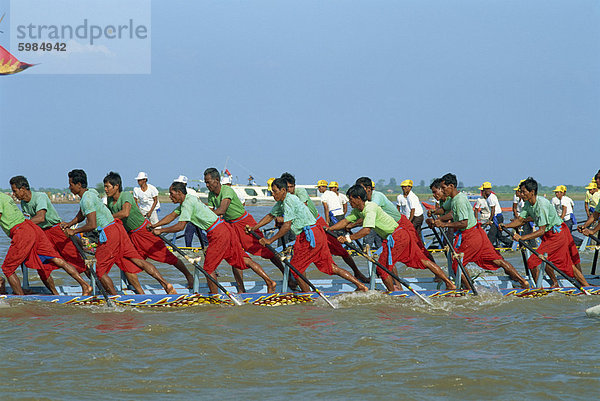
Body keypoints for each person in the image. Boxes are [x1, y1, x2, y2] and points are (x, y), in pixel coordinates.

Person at [62, 169, 176, 295]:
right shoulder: (91, 192)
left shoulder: (86, 199)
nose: (69, 187)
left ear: (79, 185)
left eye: (71, 185)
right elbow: (82, 213)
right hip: (118, 229)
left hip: (109, 234)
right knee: (136, 261)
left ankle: (114, 298)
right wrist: (70, 224)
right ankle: (165, 285)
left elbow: (92, 224)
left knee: (97, 271)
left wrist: (74, 231)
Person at [149, 181, 276, 294]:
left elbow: (181, 226)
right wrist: (155, 225)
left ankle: (215, 298)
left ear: (179, 192)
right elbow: (171, 216)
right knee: (242, 259)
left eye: (172, 194)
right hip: (225, 230)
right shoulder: (189, 199)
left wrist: (161, 231)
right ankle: (269, 281)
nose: (170, 197)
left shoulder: (187, 204)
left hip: (218, 233)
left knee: (208, 269)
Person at [248, 178, 368, 292]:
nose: (273, 194)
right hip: (315, 234)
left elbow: (286, 226)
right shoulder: (281, 202)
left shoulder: (289, 201)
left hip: (309, 236)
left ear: (283, 190)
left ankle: (307, 294)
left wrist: (270, 240)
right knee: (330, 267)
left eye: (274, 191)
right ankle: (360, 286)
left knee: (296, 268)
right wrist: (254, 228)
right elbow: (270, 216)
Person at [330, 185, 455, 292]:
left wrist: (348, 238)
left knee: (382, 269)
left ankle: (392, 293)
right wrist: (329, 229)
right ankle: (449, 283)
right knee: (423, 261)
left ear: (358, 199)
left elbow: (366, 230)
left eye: (351, 200)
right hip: (400, 235)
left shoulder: (370, 208)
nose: (350, 203)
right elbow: (345, 221)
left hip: (397, 237)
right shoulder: (359, 210)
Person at [433, 173, 529, 289]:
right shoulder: (454, 199)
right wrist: (433, 213)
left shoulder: (460, 201)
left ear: (452, 186)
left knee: (457, 264)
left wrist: (442, 223)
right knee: (497, 260)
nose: (443, 191)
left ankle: (469, 289)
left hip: (471, 236)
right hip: (478, 234)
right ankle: (523, 281)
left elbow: (464, 223)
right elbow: (443, 209)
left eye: (444, 188)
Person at [203, 167, 294, 288]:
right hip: (230, 226)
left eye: (209, 182)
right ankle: (241, 289)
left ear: (217, 180)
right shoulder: (211, 195)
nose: (207, 185)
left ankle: (287, 276)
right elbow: (210, 212)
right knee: (235, 256)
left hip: (244, 223)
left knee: (266, 250)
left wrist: (202, 216)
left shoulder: (227, 191)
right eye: (206, 182)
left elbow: (221, 210)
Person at [103, 172, 194, 288]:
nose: (105, 189)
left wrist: (108, 218)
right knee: (128, 262)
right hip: (131, 236)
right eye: (104, 187)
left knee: (167, 257)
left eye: (107, 187)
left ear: (116, 186)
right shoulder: (109, 201)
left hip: (144, 231)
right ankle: (138, 291)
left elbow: (125, 213)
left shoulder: (125, 195)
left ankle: (188, 276)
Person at [280, 173, 369, 283]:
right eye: (287, 187)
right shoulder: (285, 198)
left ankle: (357, 273)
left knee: (340, 250)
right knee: (299, 257)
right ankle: (299, 284)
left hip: (317, 223)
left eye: (291, 186)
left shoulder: (300, 192)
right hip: (305, 229)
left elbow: (302, 208)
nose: (290, 190)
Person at [0, 191, 91, 296]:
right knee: (52, 262)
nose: (15, 194)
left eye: (15, 190)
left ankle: (21, 299)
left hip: (38, 230)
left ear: (23, 189)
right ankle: (78, 287)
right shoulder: (11, 199)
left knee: (8, 268)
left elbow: (40, 217)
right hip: (36, 231)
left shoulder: (39, 197)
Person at [504, 177, 589, 287]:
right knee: (547, 259)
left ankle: (585, 286)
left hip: (557, 233)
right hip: (549, 235)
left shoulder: (542, 204)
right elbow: (520, 220)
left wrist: (522, 238)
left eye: (523, 192)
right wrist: (505, 225)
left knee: (538, 262)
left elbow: (541, 230)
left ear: (532, 192)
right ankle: (554, 283)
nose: (521, 194)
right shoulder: (528, 205)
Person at [355, 177, 434, 262]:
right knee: (389, 254)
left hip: (412, 219)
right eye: (402, 187)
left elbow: (413, 210)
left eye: (406, 187)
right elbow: (398, 209)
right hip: (395, 223)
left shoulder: (377, 197)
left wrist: (409, 222)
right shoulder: (400, 196)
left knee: (417, 246)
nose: (404, 189)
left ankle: (431, 263)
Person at [173, 175, 208, 248]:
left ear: (184, 184)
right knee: (197, 232)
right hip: (189, 215)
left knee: (189, 233)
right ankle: (206, 245)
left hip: (194, 215)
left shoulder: (191, 192)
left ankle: (188, 248)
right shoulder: (179, 192)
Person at [480, 181, 512, 248]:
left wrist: (490, 220)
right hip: (497, 217)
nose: (482, 192)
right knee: (498, 235)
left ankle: (488, 248)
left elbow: (493, 210)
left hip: (497, 217)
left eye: (483, 190)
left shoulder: (491, 197)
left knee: (491, 235)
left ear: (486, 190)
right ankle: (510, 243)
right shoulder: (489, 197)